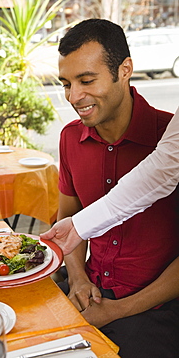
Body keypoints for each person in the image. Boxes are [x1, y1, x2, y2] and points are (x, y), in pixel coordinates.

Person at [44, 18, 179, 358]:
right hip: (89, 292)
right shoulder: (70, 138)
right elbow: (70, 226)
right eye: (66, 83)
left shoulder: (165, 134)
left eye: (87, 80)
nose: (74, 97)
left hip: (156, 309)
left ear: (125, 70)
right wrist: (77, 279)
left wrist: (118, 310)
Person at [41, 108, 179, 255]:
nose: (73, 98)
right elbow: (166, 165)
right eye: (66, 86)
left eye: (87, 82)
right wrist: (80, 225)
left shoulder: (163, 126)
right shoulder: (70, 134)